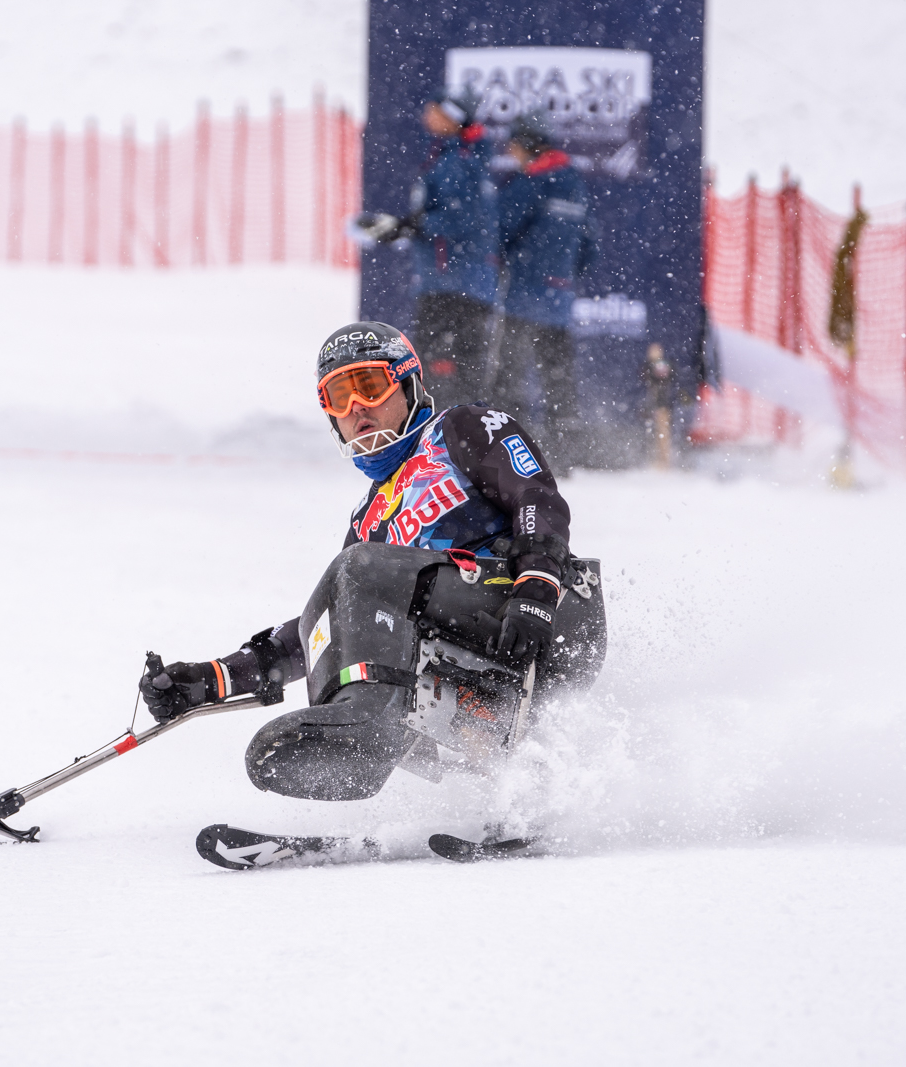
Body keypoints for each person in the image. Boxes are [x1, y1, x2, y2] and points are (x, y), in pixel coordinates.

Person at [139, 321, 586, 802]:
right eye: (338, 397)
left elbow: (538, 498)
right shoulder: (369, 517)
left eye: (369, 387)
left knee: (357, 568)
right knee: (346, 589)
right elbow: (330, 621)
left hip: (543, 609)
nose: (357, 410)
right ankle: (458, 778)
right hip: (464, 648)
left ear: (408, 382)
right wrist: (216, 678)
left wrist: (537, 591)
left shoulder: (462, 428)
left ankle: (368, 723)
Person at [353, 89, 498, 407]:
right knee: (444, 365)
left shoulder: (459, 161)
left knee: (447, 367)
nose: (425, 116)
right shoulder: (451, 156)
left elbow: (464, 219)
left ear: (451, 118)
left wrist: (411, 226)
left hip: (456, 283)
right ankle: (454, 435)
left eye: (434, 110)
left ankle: (452, 438)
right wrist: (403, 226)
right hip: (451, 281)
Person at [494, 109, 598, 466]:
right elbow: (590, 247)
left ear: (527, 144)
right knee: (560, 386)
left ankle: (505, 458)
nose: (510, 151)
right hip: (560, 302)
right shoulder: (574, 184)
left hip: (524, 299)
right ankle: (563, 457)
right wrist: (562, 276)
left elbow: (499, 231)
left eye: (513, 144)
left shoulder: (530, 184)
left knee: (508, 384)